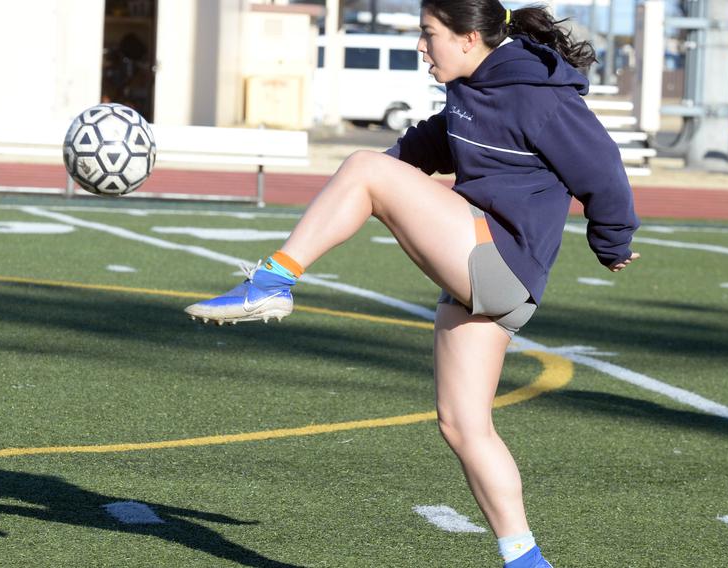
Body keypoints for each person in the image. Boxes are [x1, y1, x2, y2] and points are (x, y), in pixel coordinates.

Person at [186, 1, 640, 565]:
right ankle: (526, 559)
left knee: (363, 169)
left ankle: (272, 282)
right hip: (484, 270)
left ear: (470, 38)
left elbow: (605, 173)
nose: (421, 47)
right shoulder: (473, 86)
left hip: (500, 261)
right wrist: (372, 180)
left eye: (429, 35)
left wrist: (612, 243)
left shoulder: (540, 95)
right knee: (463, 425)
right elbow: (432, 142)